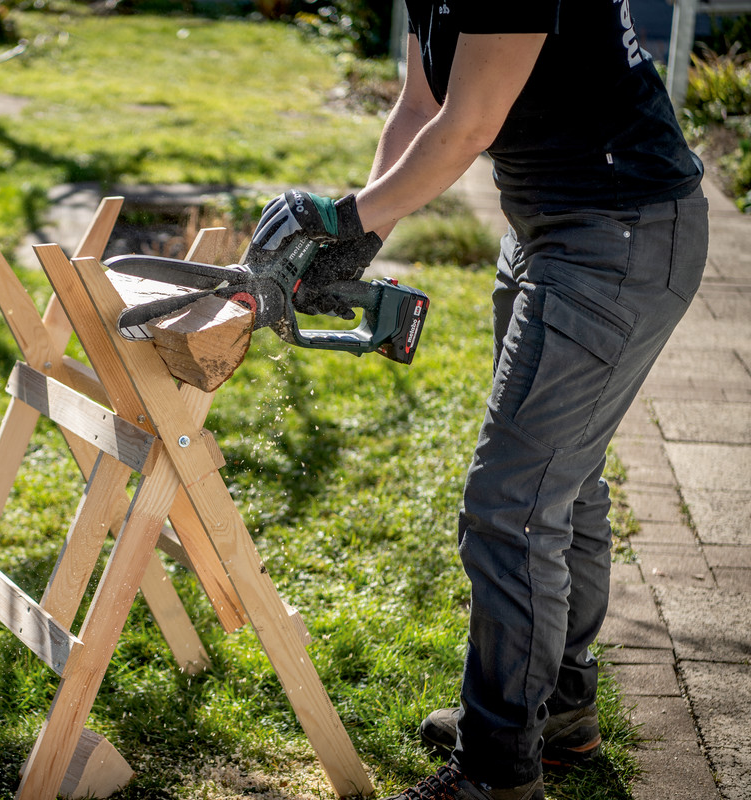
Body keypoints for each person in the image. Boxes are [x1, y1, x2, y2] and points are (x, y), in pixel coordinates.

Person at [251, 2, 709, 799]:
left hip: (621, 233)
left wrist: (341, 220)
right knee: (564, 483)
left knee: (513, 505)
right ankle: (559, 709)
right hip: (547, 229)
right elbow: (419, 108)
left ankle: (498, 771)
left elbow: (466, 127)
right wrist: (362, 233)